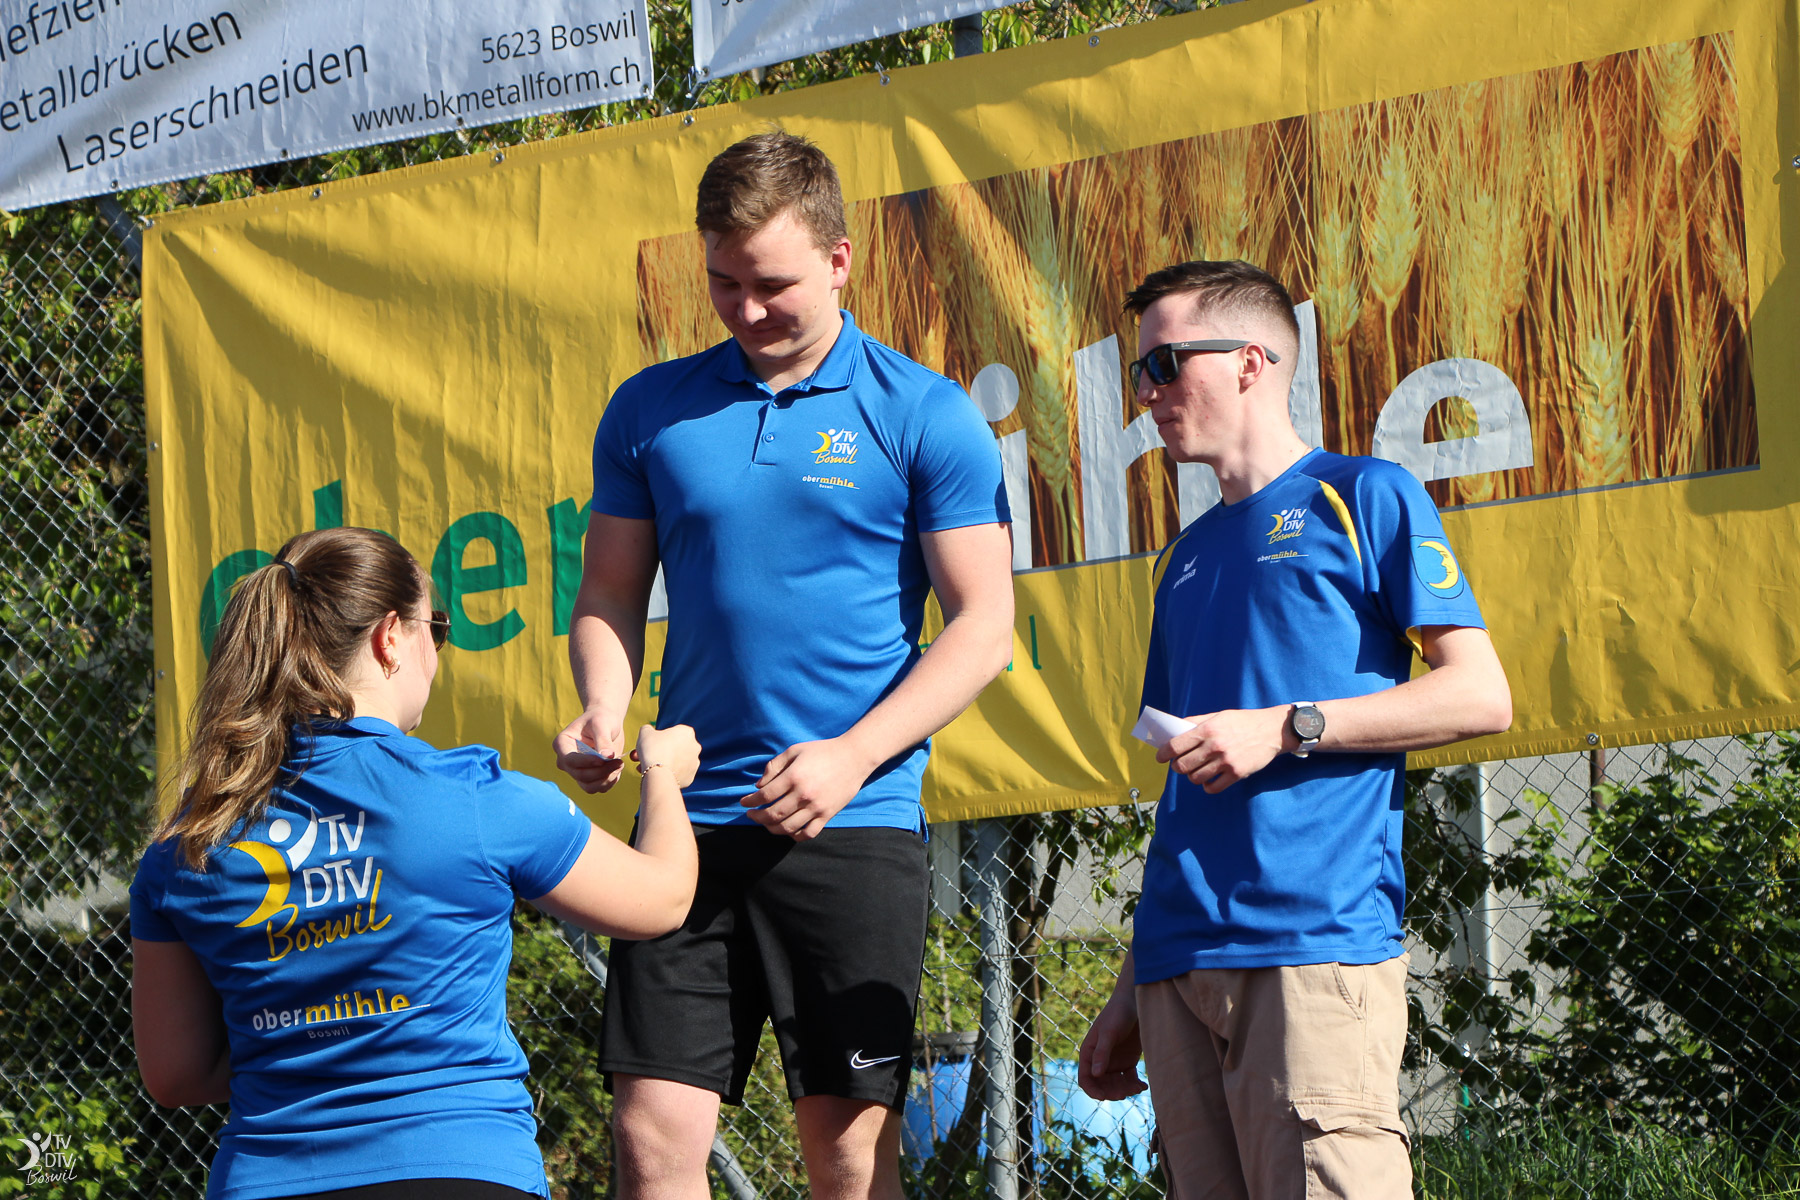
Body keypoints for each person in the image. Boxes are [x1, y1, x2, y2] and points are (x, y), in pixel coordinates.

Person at [552, 130, 1015, 1200]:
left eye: (773, 285)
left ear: (841, 260)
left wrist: (850, 758)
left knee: (848, 1157)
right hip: (685, 827)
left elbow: (983, 627)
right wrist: (603, 705)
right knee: (650, 1143)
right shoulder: (651, 409)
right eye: (724, 283)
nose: (746, 309)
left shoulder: (924, 412)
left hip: (852, 822)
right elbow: (610, 593)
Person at [1077, 261, 1512, 1199]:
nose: (1145, 392)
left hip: (1309, 947)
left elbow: (1480, 695)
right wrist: (1128, 990)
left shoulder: (1364, 496)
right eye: (1137, 370)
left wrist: (1287, 726)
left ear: (1249, 362)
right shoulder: (1183, 560)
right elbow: (1185, 785)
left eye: (1162, 363)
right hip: (1178, 967)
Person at [131, 526, 702, 1200]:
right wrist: (664, 774)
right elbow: (664, 899)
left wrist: (313, 1040)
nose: (437, 652)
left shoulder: (188, 843)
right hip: (462, 1169)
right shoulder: (474, 798)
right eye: (437, 628)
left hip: (267, 1179)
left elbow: (175, 1075)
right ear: (390, 638)